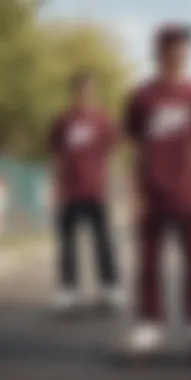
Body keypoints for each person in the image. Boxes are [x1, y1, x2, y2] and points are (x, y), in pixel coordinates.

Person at [123, 23, 191, 357]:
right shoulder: (142, 96)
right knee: (149, 262)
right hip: (153, 194)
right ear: (161, 51)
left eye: (187, 47)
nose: (185, 52)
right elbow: (134, 149)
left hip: (190, 193)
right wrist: (133, 194)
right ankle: (149, 325)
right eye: (178, 46)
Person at [48, 71, 125, 313]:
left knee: (103, 242)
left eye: (89, 91)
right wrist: (54, 187)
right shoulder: (63, 121)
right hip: (69, 192)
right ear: (74, 93)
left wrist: (115, 187)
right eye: (80, 91)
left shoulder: (103, 121)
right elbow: (54, 156)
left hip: (96, 192)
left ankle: (109, 287)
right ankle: (68, 289)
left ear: (94, 93)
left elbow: (114, 154)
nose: (85, 95)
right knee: (67, 243)